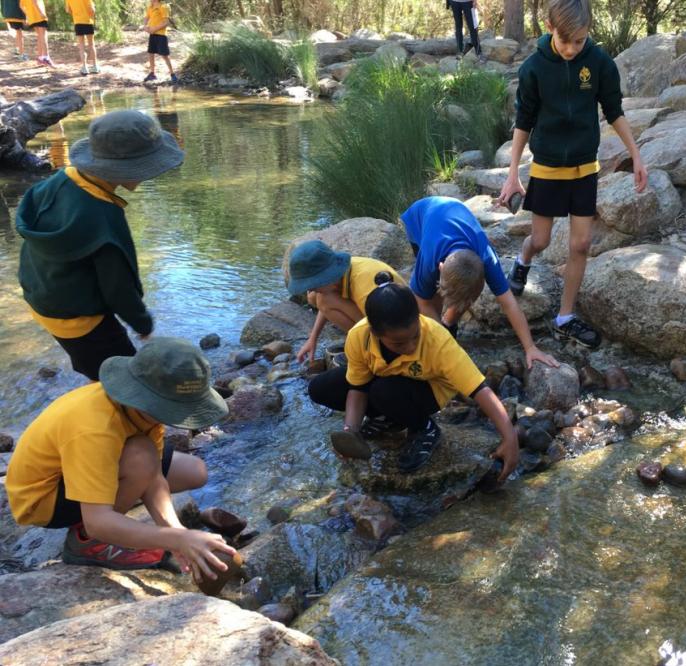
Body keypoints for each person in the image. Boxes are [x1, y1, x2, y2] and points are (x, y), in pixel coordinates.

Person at [5, 338, 238, 579]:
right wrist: (178, 539)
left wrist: (175, 532)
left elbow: (154, 478)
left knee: (193, 471)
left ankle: (115, 496)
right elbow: (99, 521)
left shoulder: (142, 408)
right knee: (140, 456)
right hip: (42, 498)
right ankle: (87, 543)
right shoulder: (95, 427)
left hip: (86, 463)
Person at [498, 0, 648, 350]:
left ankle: (565, 317)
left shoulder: (599, 63)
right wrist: (512, 175)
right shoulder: (534, 68)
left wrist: (636, 155)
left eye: (579, 41)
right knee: (541, 240)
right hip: (548, 167)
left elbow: (614, 110)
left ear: (587, 33)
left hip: (584, 167)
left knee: (580, 243)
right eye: (565, 41)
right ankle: (523, 260)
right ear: (550, 27)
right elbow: (524, 121)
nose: (571, 49)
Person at [16, 110, 184, 381]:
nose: (148, 176)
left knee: (92, 363)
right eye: (147, 167)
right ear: (125, 168)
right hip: (79, 319)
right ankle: (115, 417)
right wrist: (142, 323)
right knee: (124, 377)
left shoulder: (60, 180)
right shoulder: (104, 218)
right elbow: (118, 287)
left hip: (41, 295)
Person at [308, 273, 521, 478]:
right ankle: (388, 418)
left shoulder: (438, 340)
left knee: (383, 390)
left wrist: (510, 438)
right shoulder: (359, 336)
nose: (410, 347)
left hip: (427, 392)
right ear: (375, 333)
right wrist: (351, 432)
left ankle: (424, 428)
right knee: (320, 388)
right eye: (399, 343)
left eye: (415, 336)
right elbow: (358, 386)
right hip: (386, 384)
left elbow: (479, 389)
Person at [400, 196, 558, 370]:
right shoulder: (429, 256)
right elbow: (421, 300)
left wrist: (531, 347)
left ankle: (448, 325)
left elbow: (509, 304)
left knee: (465, 292)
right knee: (430, 296)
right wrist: (441, 341)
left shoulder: (487, 258)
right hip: (420, 217)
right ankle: (440, 336)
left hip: (452, 218)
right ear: (440, 267)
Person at [286, 239, 404, 363]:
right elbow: (323, 306)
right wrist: (313, 338)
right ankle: (363, 341)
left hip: (397, 330)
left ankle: (372, 349)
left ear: (326, 277)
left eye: (313, 285)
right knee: (315, 298)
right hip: (377, 318)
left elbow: (392, 327)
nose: (310, 289)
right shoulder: (341, 273)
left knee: (323, 299)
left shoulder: (365, 287)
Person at [143, 0, 176, 84]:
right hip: (152, 34)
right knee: (151, 53)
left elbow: (166, 22)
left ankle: (172, 74)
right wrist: (145, 26)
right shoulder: (150, 7)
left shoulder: (163, 7)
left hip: (161, 35)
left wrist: (154, 29)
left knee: (164, 55)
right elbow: (146, 17)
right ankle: (152, 74)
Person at [65, 0, 97, 75]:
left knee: (81, 46)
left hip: (78, 22)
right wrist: (90, 16)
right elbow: (92, 9)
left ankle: (85, 67)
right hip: (88, 22)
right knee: (91, 44)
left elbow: (67, 10)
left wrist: (75, 14)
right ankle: (95, 66)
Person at [19, 0, 50, 66]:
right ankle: (46, 58)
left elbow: (21, 6)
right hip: (39, 16)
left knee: (39, 36)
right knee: (43, 36)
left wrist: (28, 14)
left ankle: (40, 58)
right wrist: (41, 13)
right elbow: (34, 1)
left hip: (32, 17)